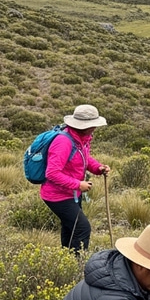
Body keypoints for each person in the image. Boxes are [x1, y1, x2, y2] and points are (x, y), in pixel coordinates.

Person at [41, 104, 111, 253]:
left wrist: (98, 168)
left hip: (71, 194)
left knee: (70, 227)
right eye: (93, 126)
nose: (95, 129)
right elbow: (52, 173)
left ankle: (66, 258)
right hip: (57, 196)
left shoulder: (82, 139)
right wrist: (78, 184)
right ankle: (76, 265)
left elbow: (83, 159)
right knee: (82, 228)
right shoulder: (63, 142)